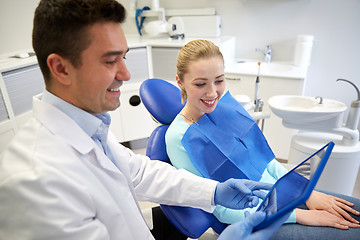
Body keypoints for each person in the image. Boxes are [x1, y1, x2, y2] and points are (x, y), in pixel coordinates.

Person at [0, 1, 289, 239]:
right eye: (110, 61)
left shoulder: (87, 128)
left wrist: (215, 191)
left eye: (124, 58)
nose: (126, 74)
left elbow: (138, 172)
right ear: (60, 68)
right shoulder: (37, 183)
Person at [165, 39, 360, 239]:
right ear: (180, 82)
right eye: (200, 84)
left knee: (356, 210)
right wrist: (298, 215)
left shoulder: (224, 107)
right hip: (253, 220)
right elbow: (219, 208)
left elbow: (266, 162)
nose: (213, 92)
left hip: (284, 196)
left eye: (219, 80)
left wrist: (305, 192)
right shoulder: (178, 137)